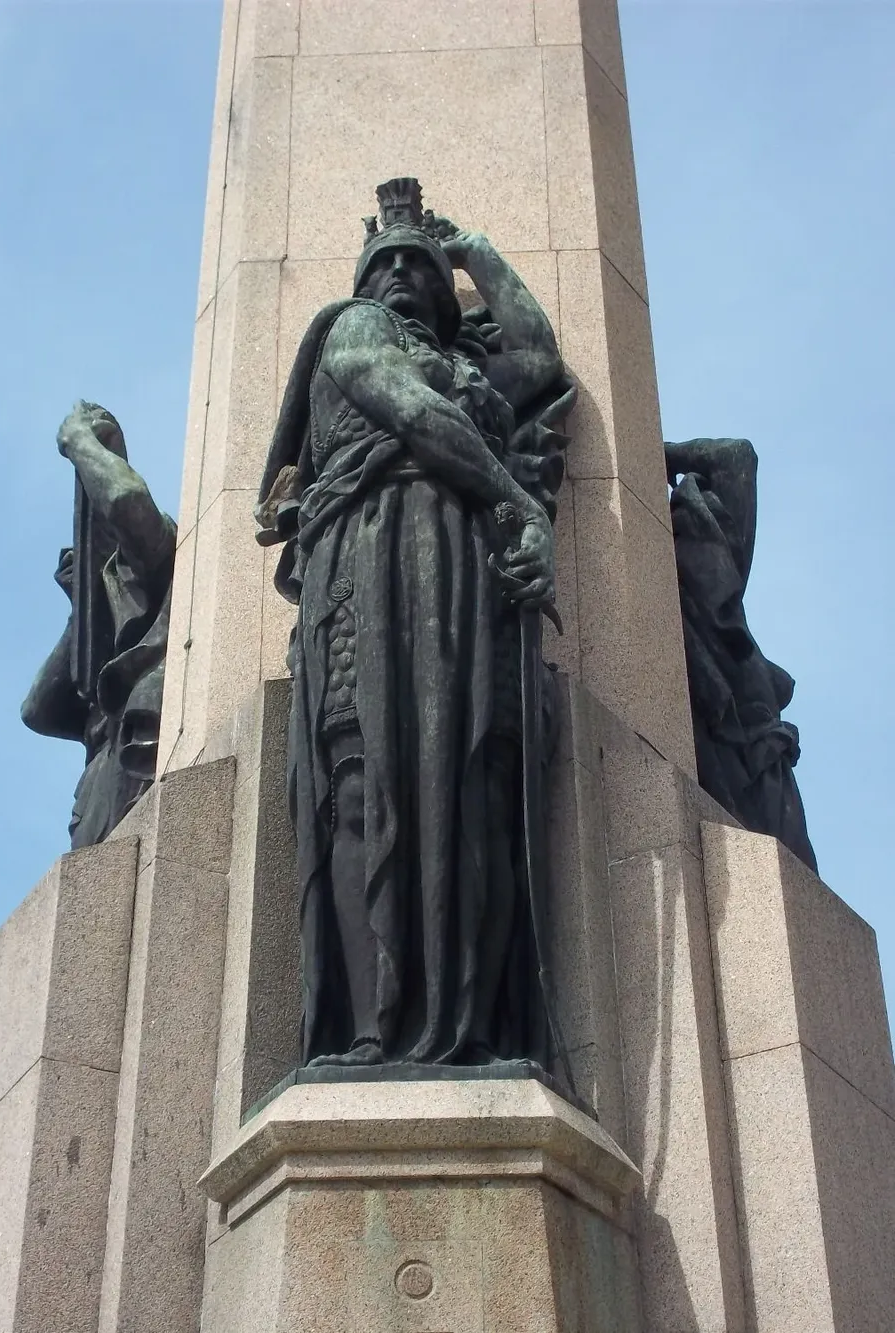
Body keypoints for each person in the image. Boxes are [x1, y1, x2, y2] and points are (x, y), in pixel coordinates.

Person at [257, 178, 574, 1069]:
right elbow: (410, 407)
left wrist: (475, 250)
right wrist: (519, 501)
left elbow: (539, 357)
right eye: (383, 261)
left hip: (470, 583)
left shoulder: (474, 371)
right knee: (360, 785)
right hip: (368, 568)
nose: (399, 273)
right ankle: (373, 1027)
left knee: (481, 786)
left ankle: (470, 1028)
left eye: (418, 264)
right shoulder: (353, 329)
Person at [22, 401, 175, 848]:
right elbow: (38, 710)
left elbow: (127, 503)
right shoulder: (110, 626)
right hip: (100, 786)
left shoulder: (162, 555)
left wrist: (80, 444)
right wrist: (81, 611)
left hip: (137, 762)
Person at [665, 437, 817, 871]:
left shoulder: (715, 587)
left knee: (790, 871)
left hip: (757, 754)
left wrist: (653, 451)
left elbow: (736, 455)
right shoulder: (679, 605)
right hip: (727, 756)